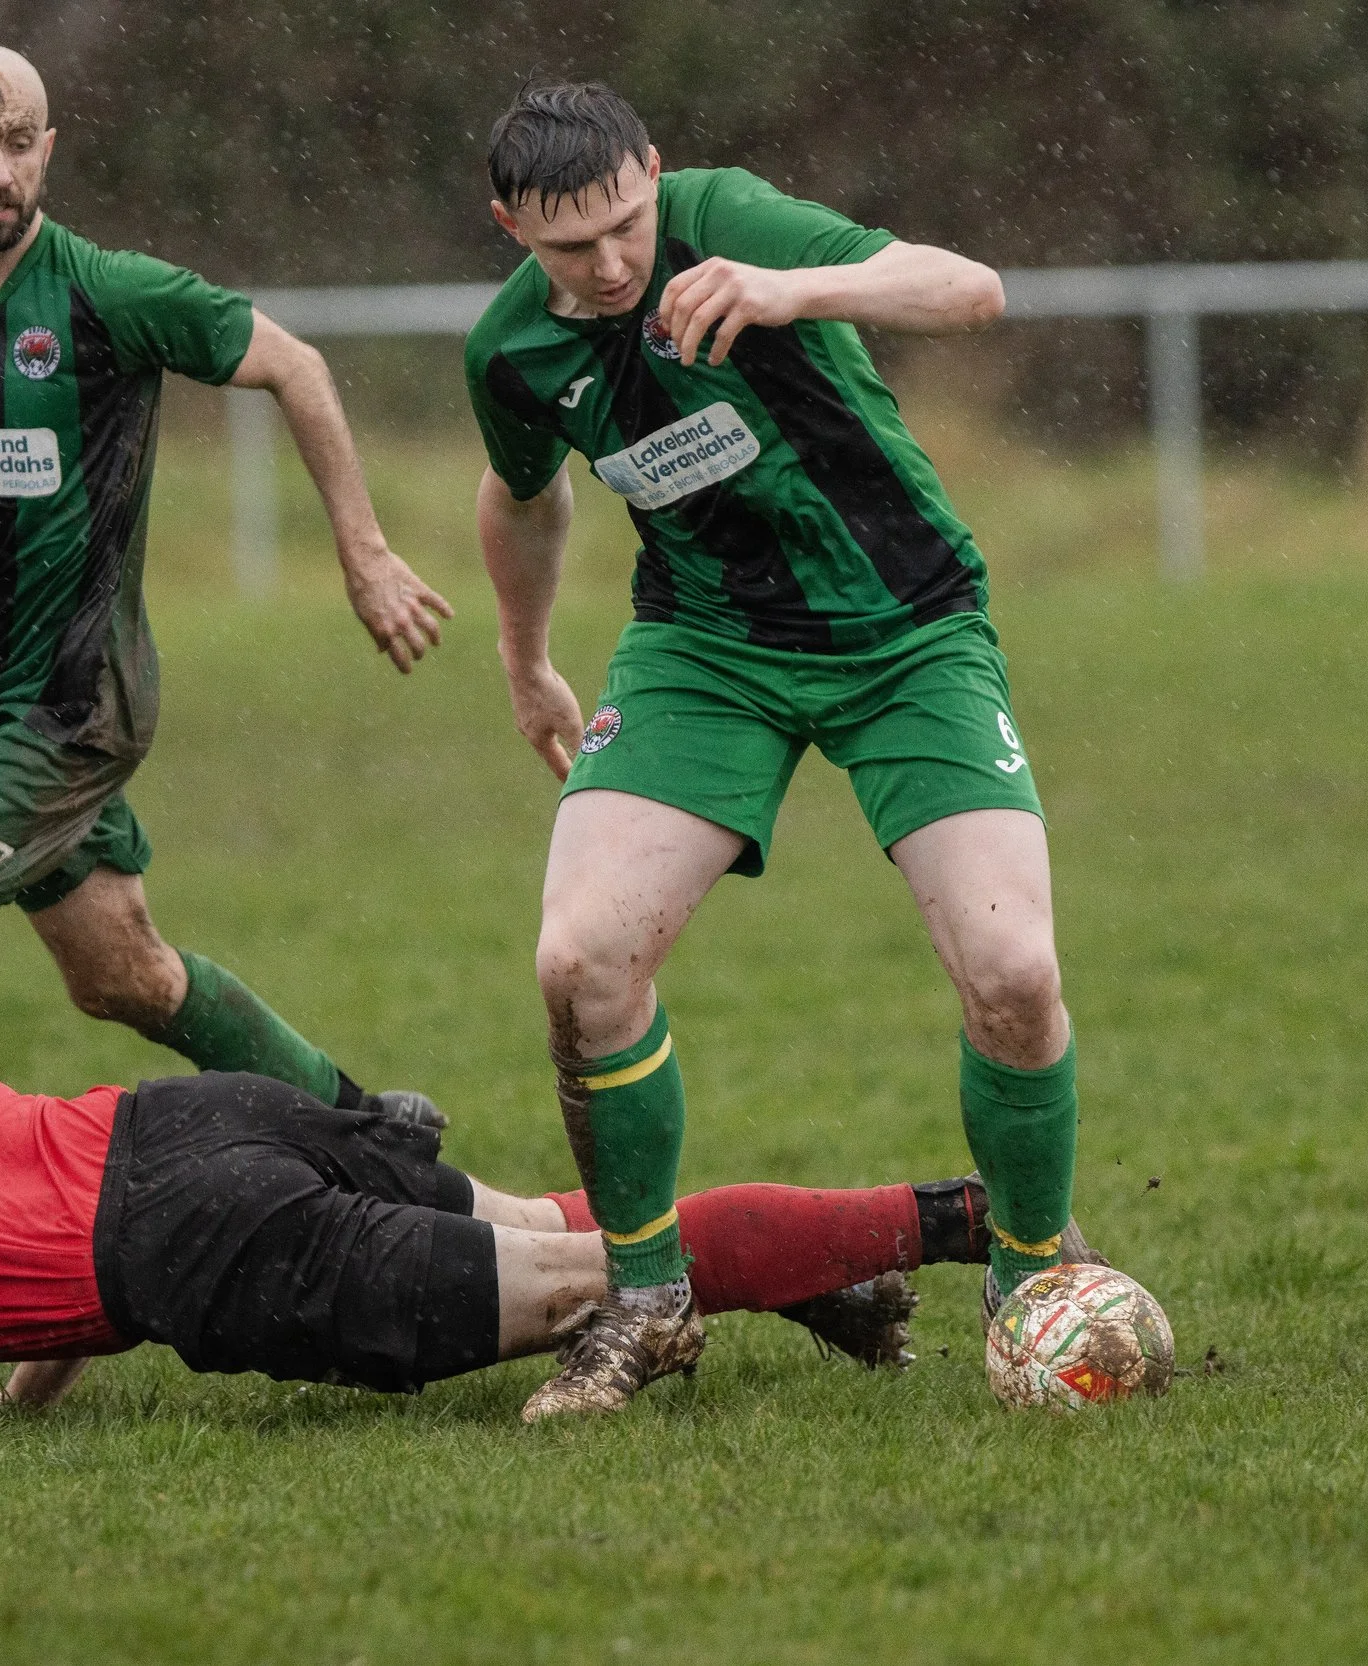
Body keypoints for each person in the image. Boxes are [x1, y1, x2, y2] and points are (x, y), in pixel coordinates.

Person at [464, 83, 1096, 1420]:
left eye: (630, 225)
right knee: (581, 959)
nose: (616, 264)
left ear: (655, 174)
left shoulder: (729, 219)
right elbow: (522, 496)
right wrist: (525, 658)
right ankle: (646, 1301)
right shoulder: (512, 351)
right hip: (707, 650)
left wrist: (793, 286)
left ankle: (1031, 1279)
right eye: (574, 246)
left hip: (904, 628)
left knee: (1015, 972)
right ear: (512, 224)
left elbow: (970, 290)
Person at [0, 43, 451, 1117]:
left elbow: (295, 366)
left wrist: (363, 555)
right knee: (123, 977)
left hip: (78, 704)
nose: (0, 169)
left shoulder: (103, 291)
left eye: (20, 142)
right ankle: (367, 1128)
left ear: (49, 146)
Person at [0, 1048, 1036, 1430]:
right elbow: (11, 1215)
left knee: (594, 1285)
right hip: (197, 1118)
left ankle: (970, 1221)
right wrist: (18, 1397)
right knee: (573, 1225)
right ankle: (839, 1265)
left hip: (196, 1239)